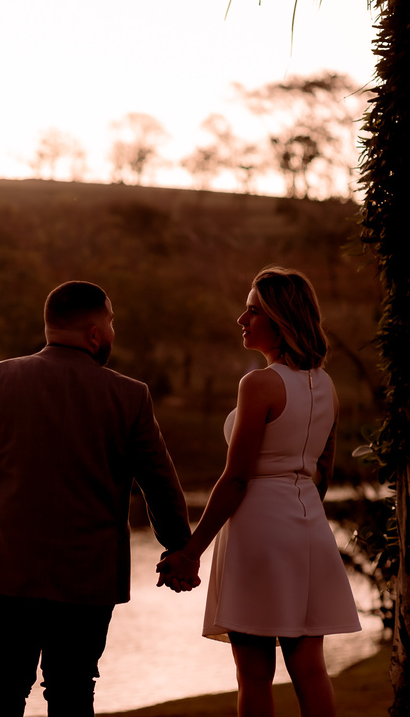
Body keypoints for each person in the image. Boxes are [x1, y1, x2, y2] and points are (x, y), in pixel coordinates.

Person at [0, 280, 195, 717]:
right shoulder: (129, 395)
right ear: (95, 333)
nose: (112, 333)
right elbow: (157, 480)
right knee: (72, 692)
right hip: (89, 574)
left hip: (4, 568)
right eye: (111, 323)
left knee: (0, 693)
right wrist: (178, 545)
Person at [159, 267, 361, 717]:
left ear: (281, 318)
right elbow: (321, 472)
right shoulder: (325, 385)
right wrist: (302, 517)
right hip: (309, 526)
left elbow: (236, 478)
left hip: (259, 529)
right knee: (311, 669)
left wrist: (192, 550)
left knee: (253, 674)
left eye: (253, 310)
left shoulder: (259, 384)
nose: (241, 319)